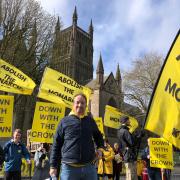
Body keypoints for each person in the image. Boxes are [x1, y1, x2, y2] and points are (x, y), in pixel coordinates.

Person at [50, 93, 104, 180]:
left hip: (89, 168)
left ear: (86, 105)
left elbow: (99, 136)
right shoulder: (64, 121)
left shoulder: (90, 121)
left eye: (82, 103)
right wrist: (53, 166)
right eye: (77, 102)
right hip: (69, 169)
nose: (80, 105)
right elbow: (56, 144)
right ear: (73, 104)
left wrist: (100, 149)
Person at [117, 116, 139, 180]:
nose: (129, 121)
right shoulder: (125, 131)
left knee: (129, 175)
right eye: (128, 120)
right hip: (130, 156)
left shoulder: (119, 131)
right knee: (132, 175)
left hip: (127, 155)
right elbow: (132, 143)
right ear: (125, 121)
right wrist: (138, 137)